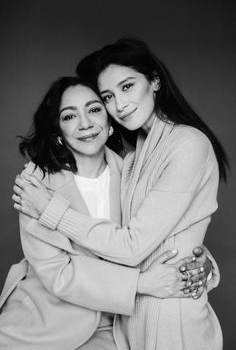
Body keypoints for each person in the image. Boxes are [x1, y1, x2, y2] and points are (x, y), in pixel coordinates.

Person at [12, 38, 228, 349]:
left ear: (154, 81)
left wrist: (199, 263)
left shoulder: (183, 145)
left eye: (127, 87)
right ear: (58, 132)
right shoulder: (133, 159)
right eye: (109, 96)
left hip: (166, 314)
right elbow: (152, 230)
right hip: (78, 324)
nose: (120, 105)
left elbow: (136, 243)